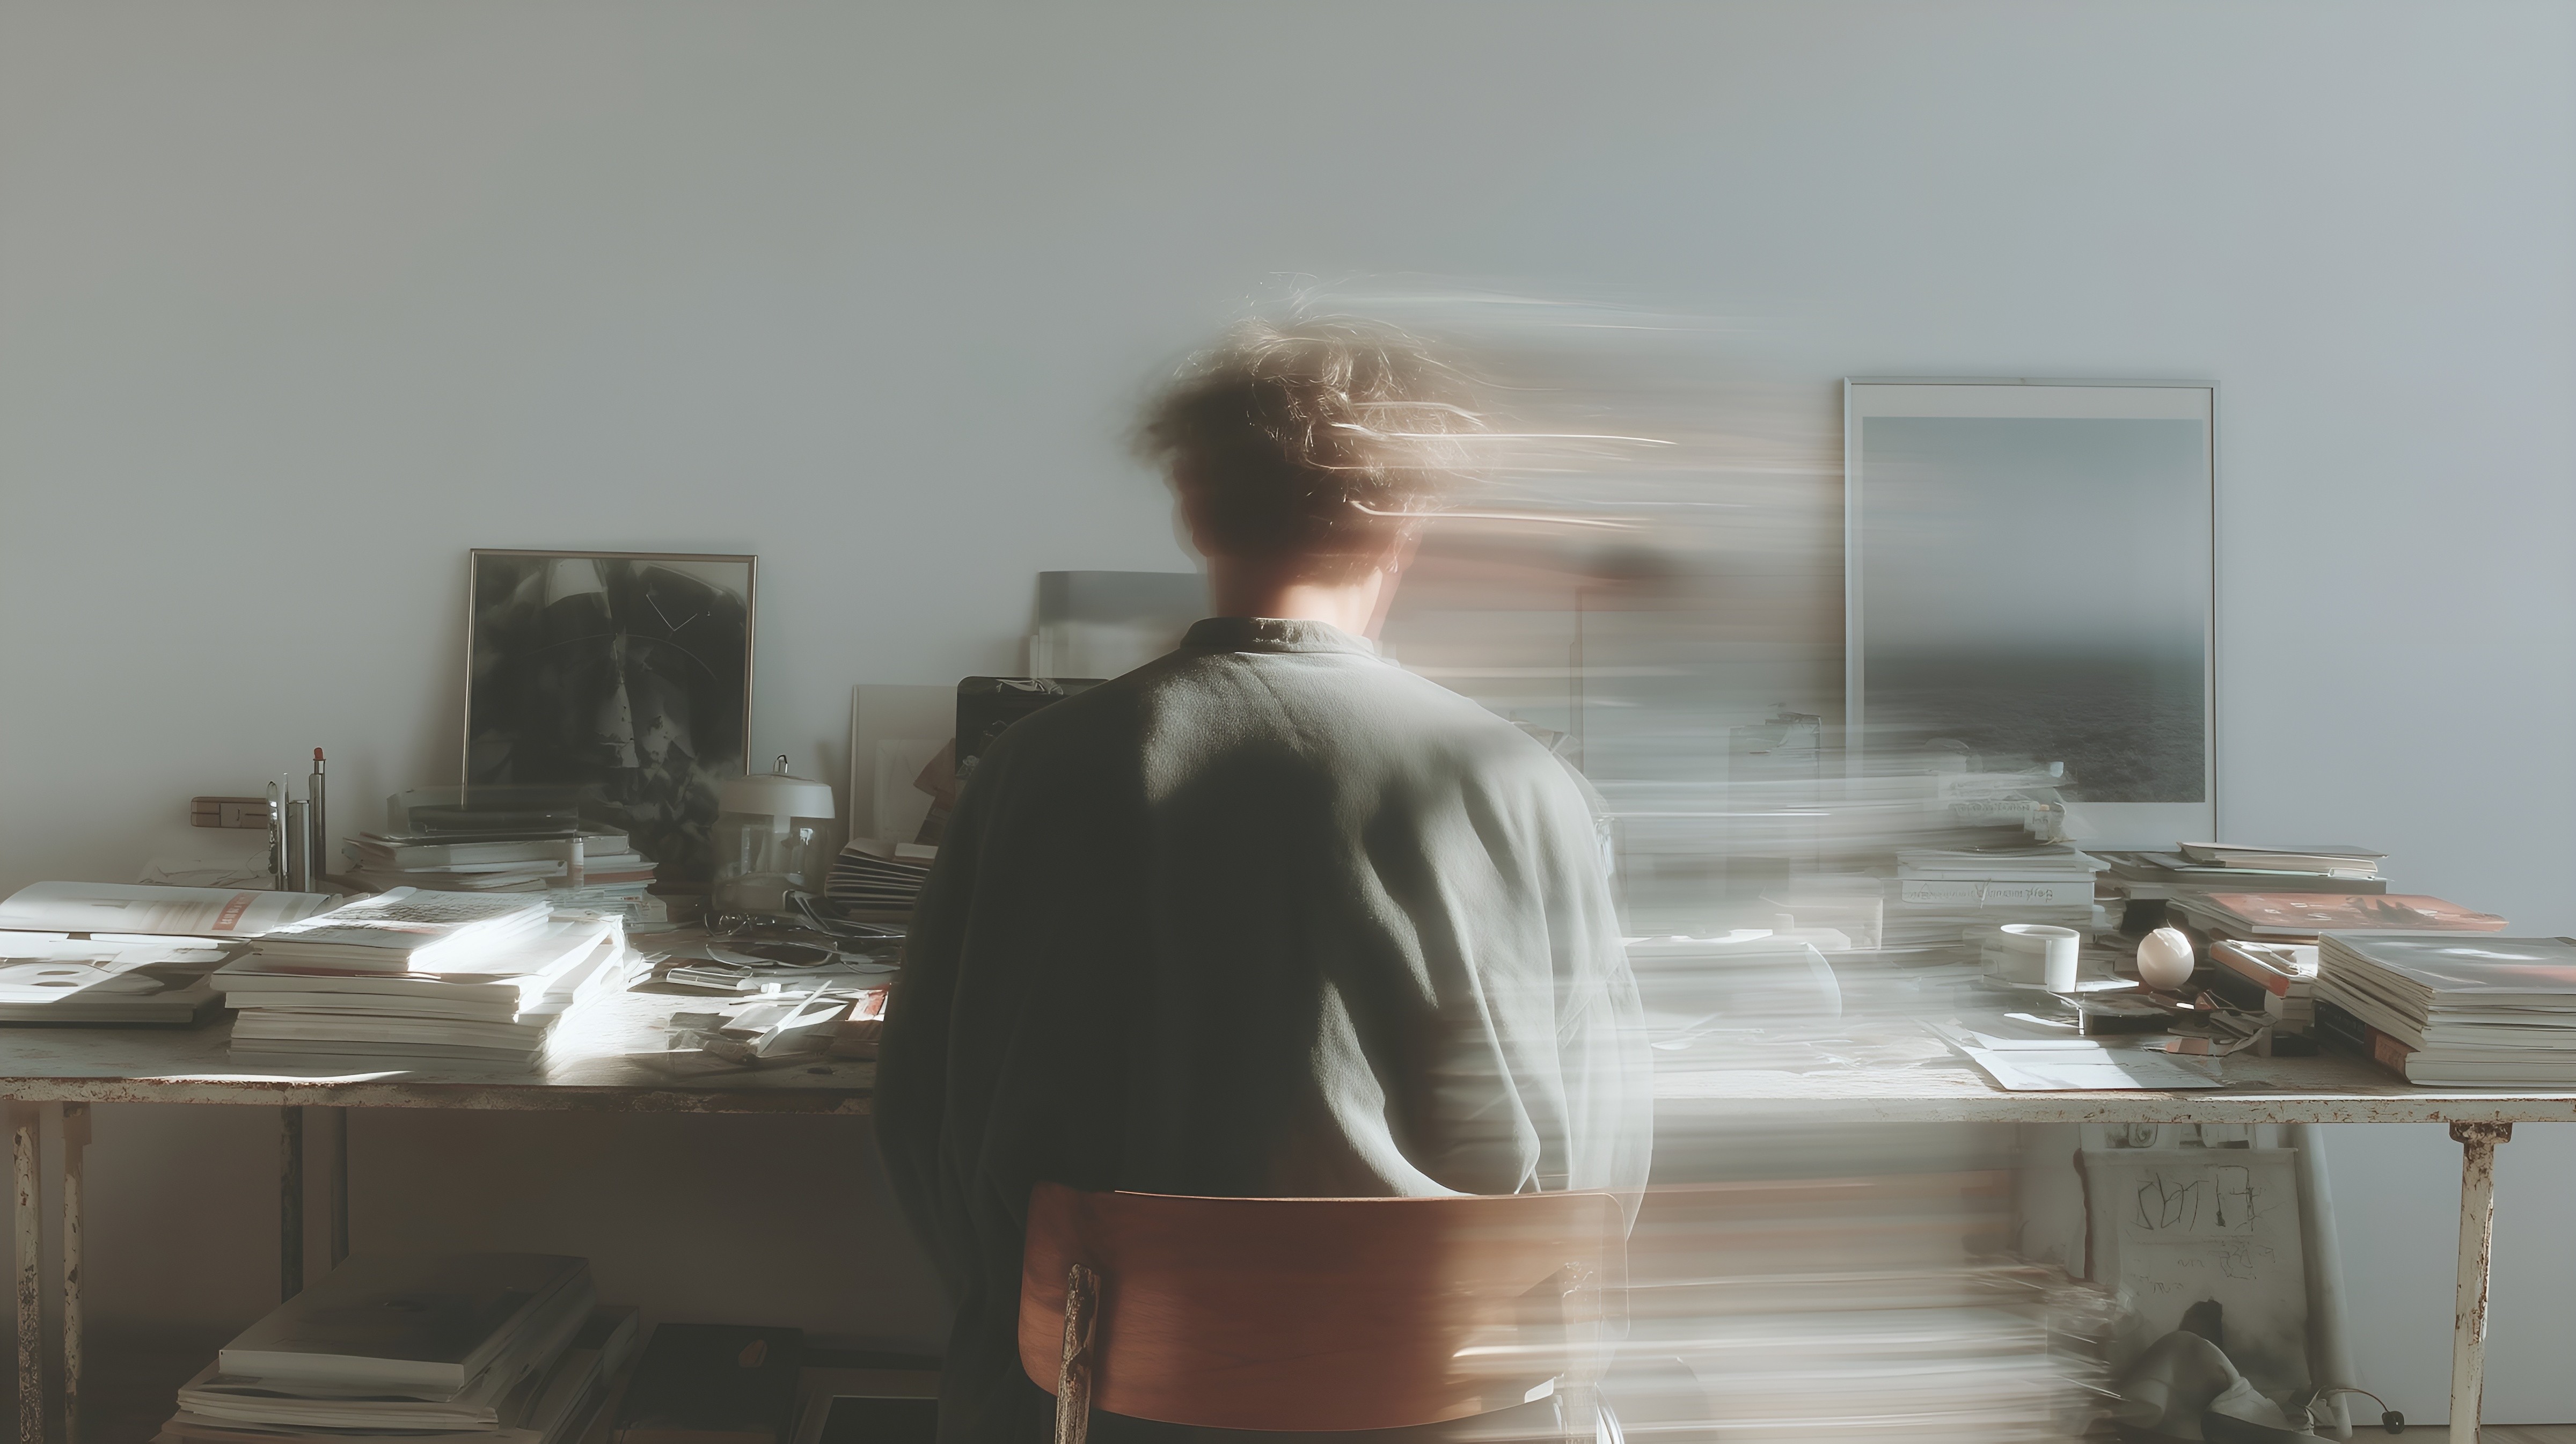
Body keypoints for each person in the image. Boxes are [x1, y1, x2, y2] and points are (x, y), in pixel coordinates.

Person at [875, 318, 1654, 1441]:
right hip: (1454, 1416)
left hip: (1094, 1413)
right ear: (1406, 517)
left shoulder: (1034, 772)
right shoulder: (1530, 787)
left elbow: (924, 1127)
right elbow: (1601, 1172)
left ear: (1191, 500)